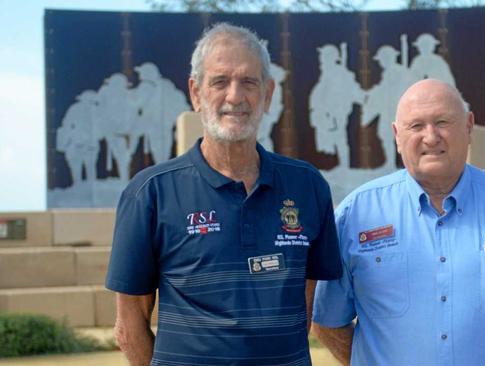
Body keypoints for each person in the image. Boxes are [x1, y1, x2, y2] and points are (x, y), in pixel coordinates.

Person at [105, 23, 342, 366]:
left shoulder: (307, 186)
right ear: (196, 93)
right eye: (220, 81)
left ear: (268, 93)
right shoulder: (150, 193)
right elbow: (129, 326)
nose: (235, 96)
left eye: (249, 81)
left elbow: (304, 301)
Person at [312, 79, 485, 366]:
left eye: (442, 122)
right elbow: (327, 321)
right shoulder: (355, 215)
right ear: (396, 135)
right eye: (416, 126)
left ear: (468, 126)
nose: (431, 137)